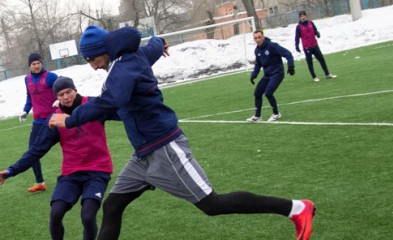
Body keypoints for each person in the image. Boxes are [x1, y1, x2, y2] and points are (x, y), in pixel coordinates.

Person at [48, 25, 316, 240]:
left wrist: (69, 120)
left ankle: (295, 208)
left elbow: (109, 102)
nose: (94, 66)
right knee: (113, 205)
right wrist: (160, 42)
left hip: (165, 148)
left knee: (212, 204)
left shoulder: (123, 69)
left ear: (104, 51)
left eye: (93, 59)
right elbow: (153, 46)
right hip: (143, 155)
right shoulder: (134, 56)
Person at [0, 76, 115, 240]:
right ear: (56, 97)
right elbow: (36, 150)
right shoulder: (55, 119)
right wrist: (11, 171)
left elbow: (123, 112)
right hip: (71, 174)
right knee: (56, 213)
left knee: (88, 216)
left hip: (98, 170)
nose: (66, 97)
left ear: (75, 89)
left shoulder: (93, 105)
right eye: (61, 95)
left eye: (68, 92)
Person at [20, 53, 58, 192]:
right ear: (29, 65)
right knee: (32, 152)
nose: (36, 66)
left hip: (54, 118)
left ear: (41, 63)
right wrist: (25, 110)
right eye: (33, 63)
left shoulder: (50, 76)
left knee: (74, 145)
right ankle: (40, 182)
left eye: (38, 63)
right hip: (38, 121)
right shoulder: (27, 79)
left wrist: (59, 100)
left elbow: (65, 87)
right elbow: (29, 96)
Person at [247, 30, 295, 123]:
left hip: (277, 73)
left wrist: (291, 65)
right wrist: (254, 75)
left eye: (259, 37)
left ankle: (276, 114)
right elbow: (258, 64)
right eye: (255, 38)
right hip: (268, 75)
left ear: (263, 37)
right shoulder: (257, 50)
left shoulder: (272, 46)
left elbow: (287, 54)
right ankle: (257, 116)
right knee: (257, 93)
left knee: (268, 93)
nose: (258, 40)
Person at [295, 10, 337, 82]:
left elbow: (315, 31)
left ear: (306, 16)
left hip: (314, 45)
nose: (303, 17)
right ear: (299, 18)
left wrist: (317, 33)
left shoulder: (311, 23)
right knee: (310, 62)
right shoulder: (298, 27)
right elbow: (297, 37)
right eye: (301, 16)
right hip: (307, 47)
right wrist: (297, 46)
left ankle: (327, 74)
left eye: (304, 16)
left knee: (321, 59)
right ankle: (314, 76)